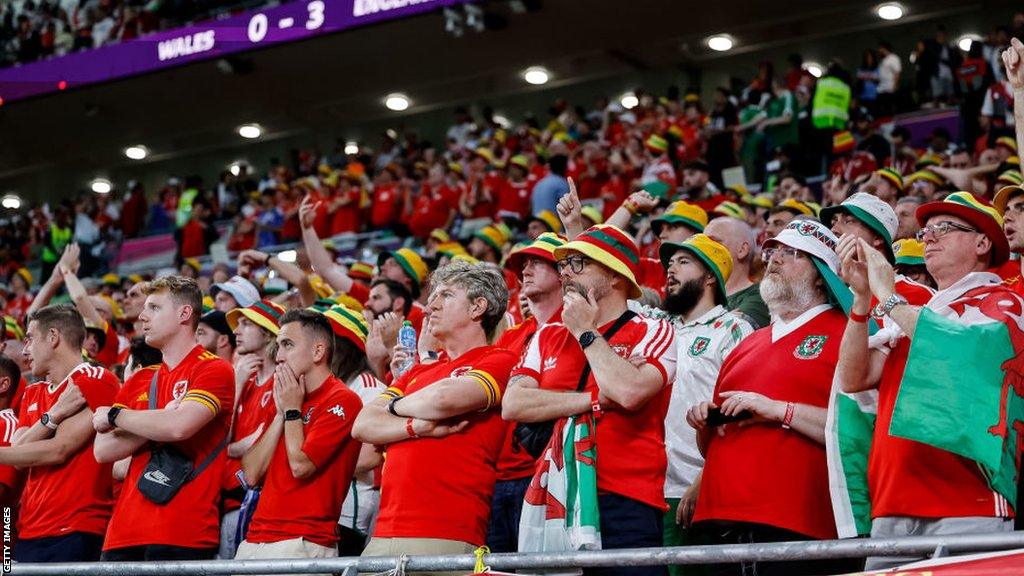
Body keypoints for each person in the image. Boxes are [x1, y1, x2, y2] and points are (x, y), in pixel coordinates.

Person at [837, 192, 1021, 570]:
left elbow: (956, 354)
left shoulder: (1005, 303)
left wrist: (887, 295)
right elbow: (854, 378)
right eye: (926, 231)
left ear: (982, 242)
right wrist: (861, 299)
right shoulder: (919, 313)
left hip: (966, 497)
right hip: (892, 499)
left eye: (945, 227)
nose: (929, 237)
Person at [503, 224, 677, 576]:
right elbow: (514, 404)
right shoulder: (547, 334)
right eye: (565, 263)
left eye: (578, 263)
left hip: (625, 500)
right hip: (554, 498)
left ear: (614, 276)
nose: (565, 271)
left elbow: (629, 393)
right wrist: (595, 400)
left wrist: (585, 331)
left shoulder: (653, 330)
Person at [687, 219, 859, 576]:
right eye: (772, 251)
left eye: (791, 253)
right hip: (719, 520)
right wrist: (704, 422)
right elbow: (711, 447)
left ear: (820, 274)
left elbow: (858, 432)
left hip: (799, 523)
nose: (775, 259)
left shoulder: (848, 333)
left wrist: (777, 409)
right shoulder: (748, 340)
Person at [353, 261, 517, 569]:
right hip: (383, 532)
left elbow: (443, 399)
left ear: (478, 307)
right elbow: (363, 425)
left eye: (446, 295)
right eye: (433, 296)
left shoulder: (500, 359)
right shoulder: (418, 371)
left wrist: (393, 408)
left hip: (447, 531)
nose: (431, 305)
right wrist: (418, 426)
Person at [93, 276, 235, 561]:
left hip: (182, 532)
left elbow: (180, 427)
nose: (143, 316)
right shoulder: (140, 378)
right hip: (121, 533)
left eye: (155, 308)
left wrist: (116, 415)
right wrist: (158, 420)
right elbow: (104, 450)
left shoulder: (215, 369)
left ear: (184, 314)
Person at [646, 235, 753, 576]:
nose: (670, 270)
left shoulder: (733, 328)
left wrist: (703, 480)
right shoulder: (659, 327)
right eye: (669, 264)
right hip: (650, 490)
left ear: (710, 277)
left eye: (683, 262)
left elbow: (744, 414)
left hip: (700, 489)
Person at [235, 309, 363, 561]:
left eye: (288, 345)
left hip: (304, 542)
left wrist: (292, 410)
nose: (278, 356)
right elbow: (251, 474)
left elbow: (301, 466)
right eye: (278, 345)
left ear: (318, 352)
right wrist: (282, 413)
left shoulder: (343, 400)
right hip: (255, 538)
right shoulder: (286, 396)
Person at [1, 305, 119, 562]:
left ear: (53, 337)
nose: (25, 350)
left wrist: (16, 449)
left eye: (30, 338)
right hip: (29, 528)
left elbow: (59, 450)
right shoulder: (33, 392)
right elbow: (18, 450)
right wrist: (54, 415)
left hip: (77, 527)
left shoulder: (95, 378)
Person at [487, 232, 567, 553]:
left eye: (537, 262)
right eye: (524, 265)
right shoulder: (511, 337)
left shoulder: (574, 328)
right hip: (496, 477)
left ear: (564, 273)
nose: (525, 271)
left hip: (546, 473)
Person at [220, 300, 286, 559]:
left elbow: (262, 443)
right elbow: (220, 440)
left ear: (268, 333)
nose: (237, 331)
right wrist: (236, 384)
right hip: (228, 501)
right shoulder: (244, 381)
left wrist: (229, 448)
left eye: (246, 324)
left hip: (256, 500)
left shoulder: (281, 380)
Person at [704, 218, 770, 329]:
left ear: (742, 250)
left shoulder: (761, 296)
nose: (701, 249)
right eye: (701, 243)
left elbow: (731, 335)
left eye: (713, 242)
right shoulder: (695, 293)